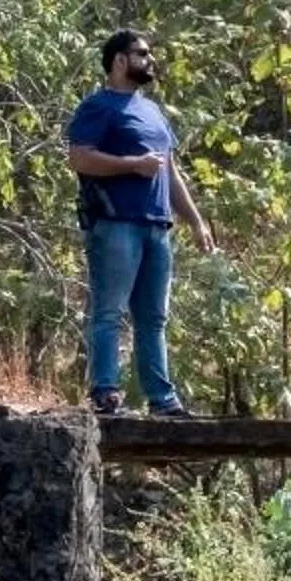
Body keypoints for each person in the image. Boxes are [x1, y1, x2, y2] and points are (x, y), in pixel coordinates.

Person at [68, 28, 217, 416]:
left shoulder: (152, 111)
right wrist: (132, 165)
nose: (151, 60)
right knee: (109, 311)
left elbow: (170, 171)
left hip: (157, 227)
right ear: (120, 61)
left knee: (153, 318)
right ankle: (105, 392)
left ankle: (162, 400)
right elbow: (79, 158)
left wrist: (196, 221)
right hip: (116, 224)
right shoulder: (98, 107)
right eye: (142, 54)